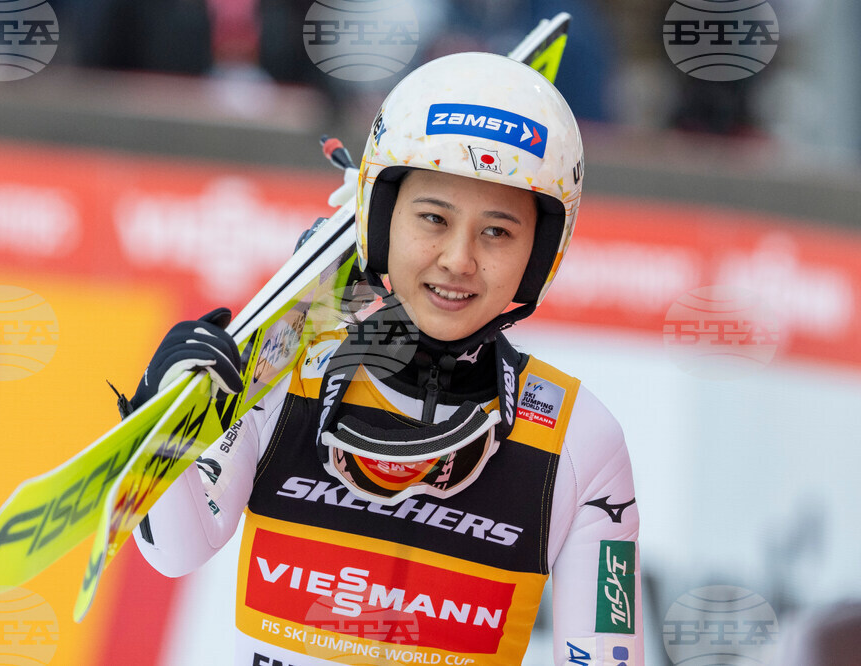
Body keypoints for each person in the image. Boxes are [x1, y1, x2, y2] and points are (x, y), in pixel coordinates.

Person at [130, 51, 644, 666]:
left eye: (497, 232)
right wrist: (158, 425)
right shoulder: (286, 368)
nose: (458, 259)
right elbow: (175, 549)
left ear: (540, 254)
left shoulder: (578, 438)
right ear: (381, 220)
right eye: (433, 218)